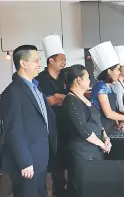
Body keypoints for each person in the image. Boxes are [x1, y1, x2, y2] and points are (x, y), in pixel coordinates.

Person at [1, 45, 57, 197]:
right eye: (36, 61)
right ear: (23, 63)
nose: (40, 64)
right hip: (27, 161)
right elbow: (13, 130)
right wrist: (24, 161)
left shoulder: (35, 87)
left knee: (41, 192)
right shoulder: (13, 92)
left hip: (40, 155)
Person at [62, 64, 112, 196]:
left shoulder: (85, 98)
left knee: (95, 187)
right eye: (88, 77)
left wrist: (106, 138)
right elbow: (83, 129)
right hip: (82, 153)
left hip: (95, 150)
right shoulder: (71, 101)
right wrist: (102, 144)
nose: (90, 80)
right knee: (83, 189)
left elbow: (97, 122)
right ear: (79, 79)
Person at [35, 34, 71, 197]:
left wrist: (60, 96)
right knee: (56, 158)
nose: (64, 62)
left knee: (68, 154)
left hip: (67, 122)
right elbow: (50, 101)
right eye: (61, 59)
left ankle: (69, 186)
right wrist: (64, 98)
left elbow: (71, 96)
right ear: (51, 60)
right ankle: (58, 189)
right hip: (51, 125)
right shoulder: (42, 79)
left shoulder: (65, 76)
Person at [89, 42, 124, 131]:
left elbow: (113, 109)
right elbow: (108, 113)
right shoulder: (100, 86)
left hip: (111, 126)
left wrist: (117, 123)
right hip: (102, 128)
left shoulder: (111, 86)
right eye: (117, 69)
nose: (119, 72)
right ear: (109, 71)